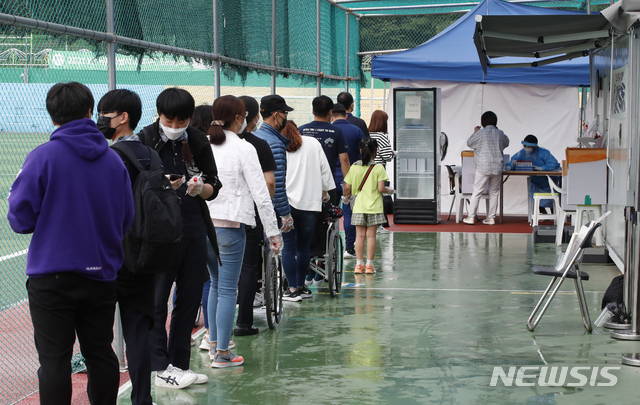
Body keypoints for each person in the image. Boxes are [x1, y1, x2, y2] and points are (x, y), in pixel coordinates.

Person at [7, 82, 134, 405]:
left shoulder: (43, 157)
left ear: (52, 117)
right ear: (90, 112)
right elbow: (126, 218)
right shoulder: (113, 161)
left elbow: (20, 219)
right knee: (100, 355)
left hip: (52, 276)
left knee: (54, 361)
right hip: (101, 273)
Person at [139, 88, 220, 388]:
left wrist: (201, 189)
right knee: (157, 301)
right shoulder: (146, 139)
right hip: (159, 233)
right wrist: (161, 187)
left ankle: (179, 366)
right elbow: (136, 187)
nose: (175, 125)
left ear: (190, 118)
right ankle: (161, 366)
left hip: (193, 228)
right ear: (159, 114)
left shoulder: (198, 140)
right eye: (169, 119)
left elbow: (214, 184)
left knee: (188, 300)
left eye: (181, 119)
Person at [97, 89, 169, 403]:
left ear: (122, 117)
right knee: (139, 331)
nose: (101, 121)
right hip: (144, 253)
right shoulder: (151, 154)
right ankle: (143, 398)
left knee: (98, 337)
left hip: (112, 255)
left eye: (105, 114)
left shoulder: (110, 156)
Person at [206, 95, 282, 367]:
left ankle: (214, 343)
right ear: (239, 118)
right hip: (230, 226)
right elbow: (262, 194)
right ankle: (223, 354)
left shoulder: (204, 144)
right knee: (227, 290)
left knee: (215, 285)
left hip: (204, 226)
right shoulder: (243, 148)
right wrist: (273, 232)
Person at [233, 95, 277, 336]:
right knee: (249, 266)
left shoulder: (214, 142)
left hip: (219, 215)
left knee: (219, 271)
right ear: (255, 116)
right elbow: (269, 183)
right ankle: (244, 322)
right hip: (249, 214)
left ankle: (213, 329)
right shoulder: (258, 145)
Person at [281, 121, 335, 301]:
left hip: (285, 204)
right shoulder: (312, 143)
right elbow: (325, 171)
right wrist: (326, 192)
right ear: (298, 130)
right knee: (304, 247)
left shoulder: (277, 144)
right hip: (309, 204)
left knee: (288, 247)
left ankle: (292, 289)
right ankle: (302, 286)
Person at [342, 138, 392, 274]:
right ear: (375, 152)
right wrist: (390, 191)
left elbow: (347, 187)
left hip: (358, 206)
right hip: (374, 206)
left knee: (359, 236)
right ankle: (369, 266)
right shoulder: (378, 168)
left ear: (360, 151)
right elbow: (381, 188)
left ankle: (359, 265)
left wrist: (346, 197)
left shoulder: (354, 167)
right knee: (371, 236)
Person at [254, 94, 295, 233]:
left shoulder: (256, 137)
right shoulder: (275, 143)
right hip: (268, 210)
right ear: (276, 114)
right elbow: (275, 183)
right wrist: (285, 213)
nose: (285, 117)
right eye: (285, 113)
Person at [299, 96, 350, 204]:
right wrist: (348, 183)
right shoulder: (337, 132)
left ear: (313, 111)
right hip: (327, 183)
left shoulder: (302, 130)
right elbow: (344, 159)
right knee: (328, 216)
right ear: (330, 112)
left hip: (304, 183)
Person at [463, 111, 510, 225]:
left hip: (483, 167)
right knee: (494, 193)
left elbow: (469, 143)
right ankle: (491, 218)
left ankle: (471, 217)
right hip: (497, 167)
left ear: (482, 122)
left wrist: (475, 132)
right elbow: (506, 143)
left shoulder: (481, 133)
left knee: (477, 191)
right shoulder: (500, 133)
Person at [331, 103, 365, 260]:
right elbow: (364, 152)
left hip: (329, 178)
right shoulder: (356, 130)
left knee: (328, 213)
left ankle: (329, 247)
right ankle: (349, 248)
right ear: (346, 115)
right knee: (349, 212)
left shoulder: (328, 130)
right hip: (351, 178)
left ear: (332, 116)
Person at [510, 134, 561, 213]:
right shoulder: (522, 153)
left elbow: (554, 164)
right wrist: (513, 163)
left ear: (535, 147)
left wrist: (542, 168)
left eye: (529, 147)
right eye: (525, 146)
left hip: (549, 181)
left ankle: (555, 214)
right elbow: (514, 160)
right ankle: (542, 212)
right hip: (535, 181)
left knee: (552, 197)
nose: (527, 148)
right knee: (536, 195)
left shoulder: (543, 153)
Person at [368, 110, 396, 233]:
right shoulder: (382, 136)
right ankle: (378, 225)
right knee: (378, 198)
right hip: (378, 170)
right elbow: (387, 156)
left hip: (366, 170)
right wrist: (394, 153)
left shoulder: (366, 134)